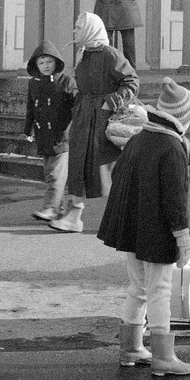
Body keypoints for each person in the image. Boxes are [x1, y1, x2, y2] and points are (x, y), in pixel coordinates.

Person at [97, 77, 190, 376]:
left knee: (138, 288)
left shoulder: (140, 137)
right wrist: (182, 236)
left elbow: (119, 180)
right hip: (156, 232)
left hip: (131, 228)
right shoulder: (172, 147)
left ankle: (130, 348)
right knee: (160, 290)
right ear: (183, 119)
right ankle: (163, 356)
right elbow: (175, 200)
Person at [48, 12, 139, 233]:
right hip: (83, 119)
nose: (74, 31)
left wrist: (110, 103)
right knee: (78, 166)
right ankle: (73, 216)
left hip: (102, 123)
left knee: (105, 170)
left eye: (79, 27)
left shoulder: (110, 55)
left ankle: (125, 219)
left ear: (90, 29)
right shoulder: (84, 54)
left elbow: (132, 82)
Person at [23, 40, 77, 222]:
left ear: (56, 62)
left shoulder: (66, 81)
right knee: (50, 174)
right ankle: (59, 211)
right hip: (43, 137)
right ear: (35, 65)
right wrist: (28, 129)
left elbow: (77, 105)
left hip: (63, 137)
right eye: (42, 63)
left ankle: (50, 208)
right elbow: (31, 108)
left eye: (49, 62)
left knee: (56, 175)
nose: (46, 66)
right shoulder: (34, 83)